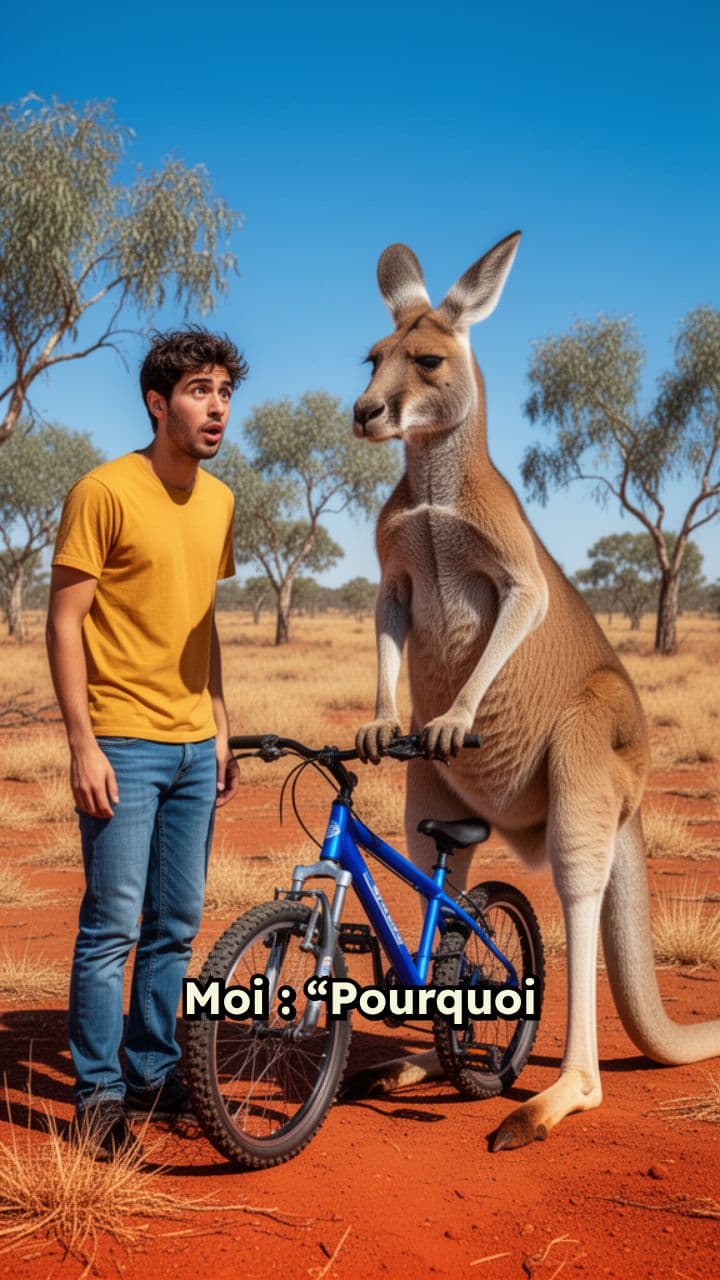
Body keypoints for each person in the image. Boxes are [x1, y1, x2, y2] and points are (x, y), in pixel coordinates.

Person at [46, 327, 247, 1157]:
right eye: (201, 391)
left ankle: (153, 1072)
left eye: (225, 393)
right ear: (158, 402)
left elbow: (205, 619)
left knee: (177, 925)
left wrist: (222, 723)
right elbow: (63, 622)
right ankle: (97, 1098)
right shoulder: (104, 490)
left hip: (196, 747)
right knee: (111, 928)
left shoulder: (222, 501)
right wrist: (82, 744)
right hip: (122, 743)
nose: (218, 407)